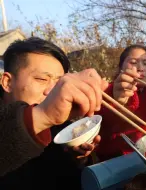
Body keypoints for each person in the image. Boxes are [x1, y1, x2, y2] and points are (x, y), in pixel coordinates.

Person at [0, 37, 108, 189]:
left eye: (58, 83)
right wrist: (43, 115)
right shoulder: (43, 114)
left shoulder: (64, 128)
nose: (52, 91)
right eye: (42, 79)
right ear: (7, 82)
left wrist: (78, 159)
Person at [95, 44, 146, 161]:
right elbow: (101, 122)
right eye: (133, 62)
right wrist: (120, 102)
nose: (140, 68)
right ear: (121, 67)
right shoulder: (109, 91)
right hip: (116, 158)